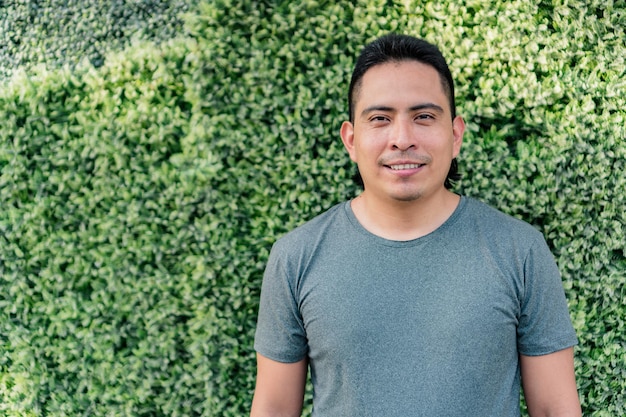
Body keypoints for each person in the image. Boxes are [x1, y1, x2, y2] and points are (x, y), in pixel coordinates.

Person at [250, 33, 581, 417]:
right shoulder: (295, 257)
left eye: (423, 117)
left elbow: (555, 409)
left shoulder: (520, 251)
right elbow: (273, 408)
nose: (402, 139)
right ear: (351, 140)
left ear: (455, 135)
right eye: (380, 119)